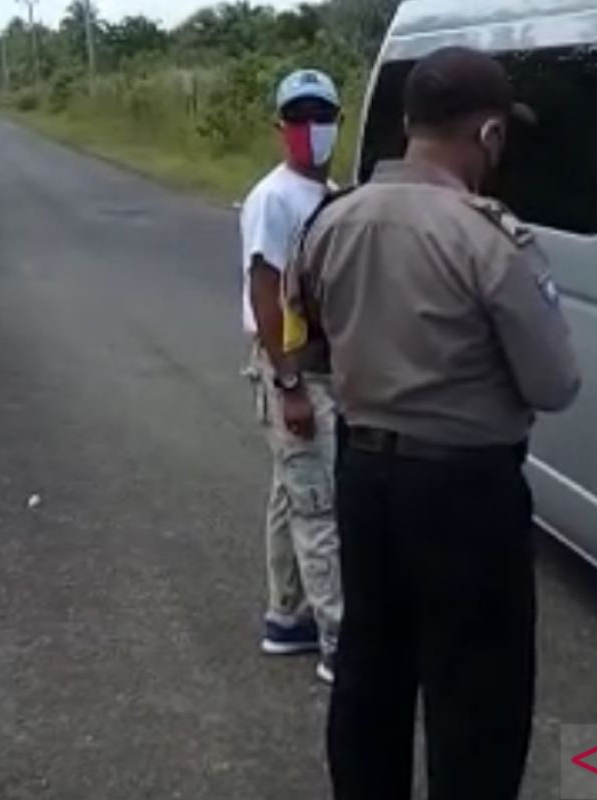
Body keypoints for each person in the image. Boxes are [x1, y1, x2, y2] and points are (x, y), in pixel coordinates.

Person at [282, 46, 582, 800]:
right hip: (467, 493)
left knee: (369, 673)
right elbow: (555, 383)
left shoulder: (329, 223)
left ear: (409, 122)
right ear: (487, 137)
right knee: (477, 694)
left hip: (365, 477)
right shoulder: (490, 238)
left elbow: (308, 347)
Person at [239, 68, 344, 684]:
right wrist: (289, 384)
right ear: (281, 128)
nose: (312, 129)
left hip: (315, 366)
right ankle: (339, 642)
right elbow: (263, 291)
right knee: (318, 507)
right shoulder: (273, 199)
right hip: (292, 367)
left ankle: (288, 617)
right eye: (300, 118)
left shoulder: (327, 191)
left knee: (292, 492)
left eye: (322, 116)